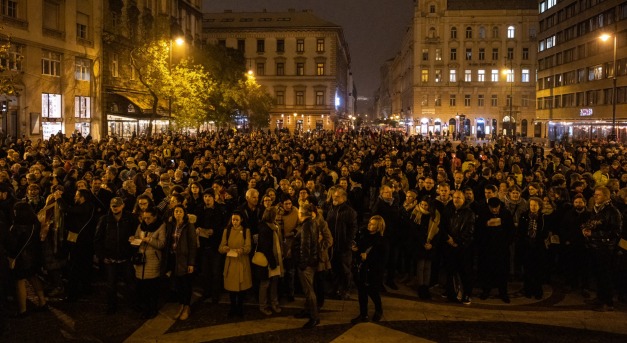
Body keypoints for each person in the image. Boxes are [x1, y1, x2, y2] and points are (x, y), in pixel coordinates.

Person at [94, 197, 139, 314]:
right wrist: (102, 256)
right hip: (110, 258)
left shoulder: (130, 219)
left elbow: (138, 234)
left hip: (126, 257)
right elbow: (98, 239)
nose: (115, 207)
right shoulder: (104, 220)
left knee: (131, 284)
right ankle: (111, 306)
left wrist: (133, 247)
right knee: (111, 285)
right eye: (113, 205)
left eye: (117, 205)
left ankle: (133, 304)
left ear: (122, 205)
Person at [582, 186, 622, 311]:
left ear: (606, 196)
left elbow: (615, 232)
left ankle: (608, 302)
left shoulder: (612, 212)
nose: (595, 197)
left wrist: (593, 234)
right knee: (598, 274)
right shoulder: (597, 210)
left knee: (605, 275)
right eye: (595, 194)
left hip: (605, 248)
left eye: (598, 195)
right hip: (595, 246)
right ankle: (600, 297)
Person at [6, 201, 47, 317]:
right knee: (33, 277)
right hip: (34, 256)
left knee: (19, 282)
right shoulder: (35, 224)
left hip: (21, 258)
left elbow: (13, 245)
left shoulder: (17, 227)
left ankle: (22, 309)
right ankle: (42, 301)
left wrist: (11, 257)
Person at [477, 197, 515, 303]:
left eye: (496, 208)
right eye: (492, 208)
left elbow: (511, 230)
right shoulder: (483, 214)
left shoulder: (506, 214)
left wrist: (506, 242)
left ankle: (503, 292)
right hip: (487, 249)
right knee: (487, 270)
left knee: (502, 271)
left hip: (502, 249)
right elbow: (478, 230)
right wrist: (486, 225)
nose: (494, 210)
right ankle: (486, 290)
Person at [350, 215, 386, 324]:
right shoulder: (363, 235)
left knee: (373, 292)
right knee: (362, 293)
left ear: (379, 226)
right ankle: (363, 314)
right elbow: (359, 250)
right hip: (362, 270)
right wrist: (355, 250)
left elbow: (383, 258)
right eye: (370, 222)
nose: (370, 225)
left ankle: (378, 310)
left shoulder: (381, 241)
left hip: (373, 271)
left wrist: (368, 258)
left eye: (373, 224)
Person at [132, 206, 166, 319]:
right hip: (140, 260)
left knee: (151, 287)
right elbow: (137, 237)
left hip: (152, 260)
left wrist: (150, 240)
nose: (146, 220)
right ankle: (145, 308)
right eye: (144, 218)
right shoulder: (141, 226)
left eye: (148, 218)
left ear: (154, 217)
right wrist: (133, 240)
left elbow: (161, 244)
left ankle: (152, 309)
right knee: (142, 286)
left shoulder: (161, 226)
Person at [442, 190, 475, 304]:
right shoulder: (448, 210)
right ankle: (451, 292)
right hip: (449, 245)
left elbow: (469, 231)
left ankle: (466, 294)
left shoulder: (469, 213)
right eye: (455, 197)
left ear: (463, 199)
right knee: (450, 270)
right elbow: (443, 226)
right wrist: (448, 239)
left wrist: (456, 241)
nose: (456, 199)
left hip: (463, 247)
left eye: (459, 198)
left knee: (464, 271)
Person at [325, 188, 358, 300]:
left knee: (345, 269)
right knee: (334, 268)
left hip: (343, 246)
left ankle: (345, 290)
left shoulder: (349, 212)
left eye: (337, 196)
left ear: (344, 198)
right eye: (334, 195)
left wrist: (347, 244)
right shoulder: (331, 209)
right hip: (333, 246)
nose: (334, 197)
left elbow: (352, 229)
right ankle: (335, 288)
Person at [166, 204, 197, 320]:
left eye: (180, 211)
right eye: (176, 211)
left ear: (184, 213)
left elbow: (193, 245)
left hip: (185, 259)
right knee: (178, 284)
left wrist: (191, 263)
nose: (177, 214)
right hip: (174, 258)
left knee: (186, 284)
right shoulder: (171, 225)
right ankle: (181, 305)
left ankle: (187, 306)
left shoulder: (188, 226)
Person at [219, 211, 252, 317]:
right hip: (231, 262)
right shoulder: (227, 231)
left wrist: (241, 250)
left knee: (242, 288)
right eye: (233, 220)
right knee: (231, 289)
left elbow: (248, 247)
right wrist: (225, 248)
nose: (235, 222)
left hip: (242, 261)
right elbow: (220, 247)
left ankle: (240, 308)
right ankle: (233, 307)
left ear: (241, 220)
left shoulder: (246, 231)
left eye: (237, 220)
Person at [293, 203, 320, 329]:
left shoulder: (305, 226)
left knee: (309, 291)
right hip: (312, 261)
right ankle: (307, 310)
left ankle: (314, 317)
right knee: (308, 289)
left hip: (307, 264)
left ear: (302, 213)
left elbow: (305, 246)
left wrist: (303, 263)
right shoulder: (313, 222)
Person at [196, 190, 226, 304]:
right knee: (205, 271)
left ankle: (215, 294)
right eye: (205, 196)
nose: (207, 199)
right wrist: (198, 229)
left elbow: (223, 226)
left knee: (216, 271)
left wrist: (214, 231)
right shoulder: (199, 209)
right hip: (204, 246)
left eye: (209, 196)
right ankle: (206, 291)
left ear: (214, 198)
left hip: (215, 245)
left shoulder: (220, 210)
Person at [517, 197, 549, 299]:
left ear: (539, 206)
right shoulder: (524, 216)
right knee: (527, 269)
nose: (533, 207)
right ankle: (528, 289)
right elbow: (520, 231)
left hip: (538, 246)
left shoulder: (543, 217)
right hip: (526, 246)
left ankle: (537, 290)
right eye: (531, 205)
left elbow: (545, 232)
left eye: (535, 205)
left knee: (537, 269)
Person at [411, 195, 441, 300]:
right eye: (422, 204)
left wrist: (431, 243)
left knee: (428, 266)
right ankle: (420, 286)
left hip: (430, 244)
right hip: (420, 244)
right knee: (420, 266)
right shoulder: (416, 213)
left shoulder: (435, 215)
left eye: (426, 205)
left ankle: (426, 286)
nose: (423, 207)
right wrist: (423, 243)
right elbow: (414, 230)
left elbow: (437, 230)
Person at [256, 206, 283, 315]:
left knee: (274, 282)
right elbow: (266, 247)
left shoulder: (274, 226)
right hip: (267, 260)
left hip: (275, 259)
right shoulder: (265, 228)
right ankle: (263, 306)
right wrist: (272, 262)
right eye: (277, 214)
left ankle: (274, 302)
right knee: (265, 283)